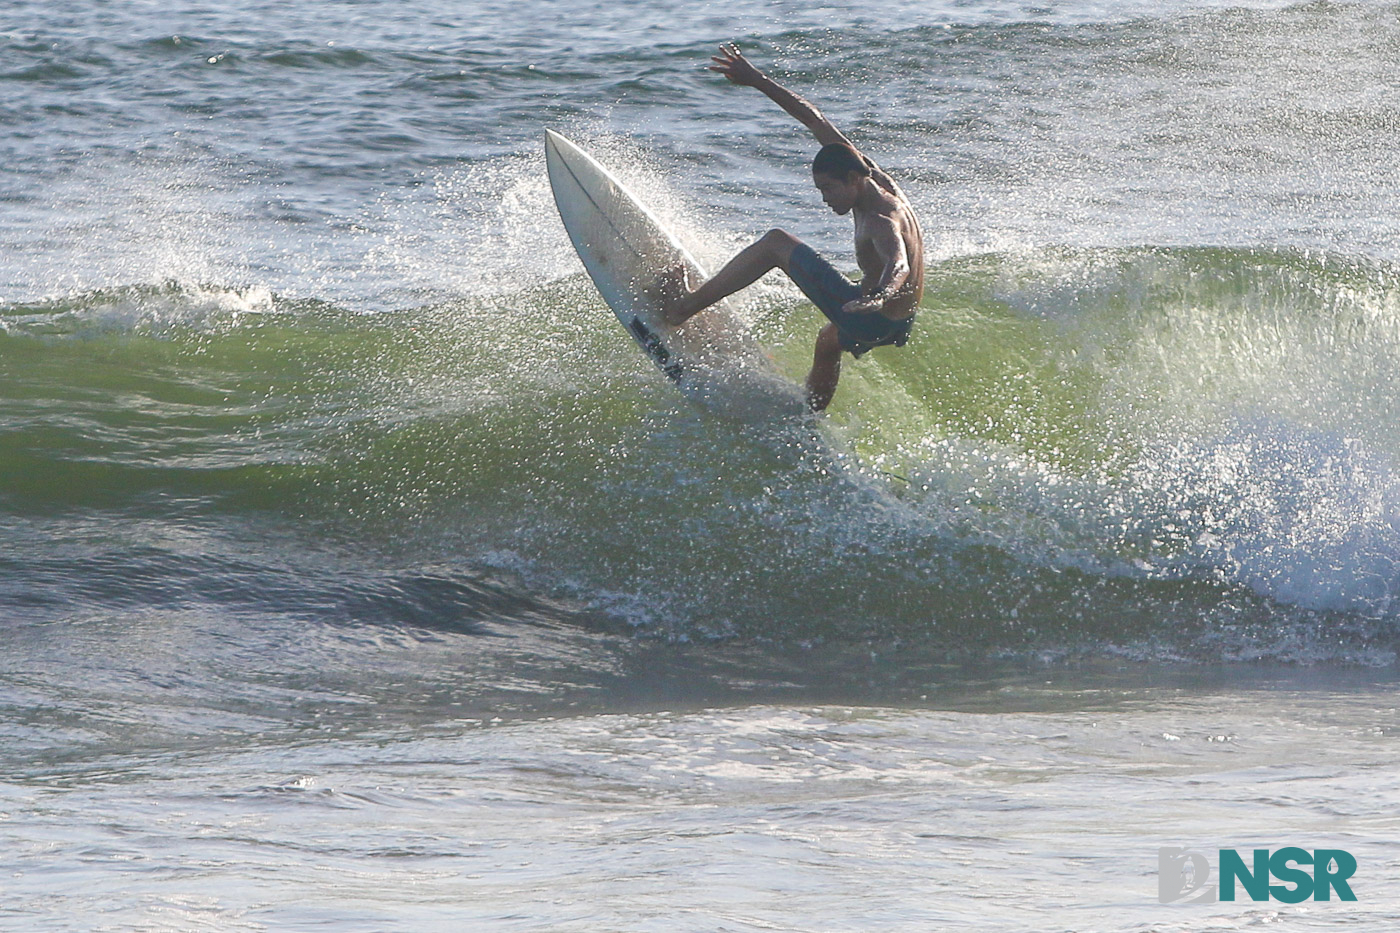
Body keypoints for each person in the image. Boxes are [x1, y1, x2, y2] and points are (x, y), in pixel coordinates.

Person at [655, 44, 924, 411]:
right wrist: (757, 80)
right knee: (829, 342)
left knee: (776, 243)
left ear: (851, 180)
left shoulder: (881, 217)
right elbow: (814, 119)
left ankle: (680, 309)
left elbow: (900, 264)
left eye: (828, 189)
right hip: (899, 321)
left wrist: (877, 295)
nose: (825, 199)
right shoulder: (869, 173)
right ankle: (809, 414)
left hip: (874, 313)